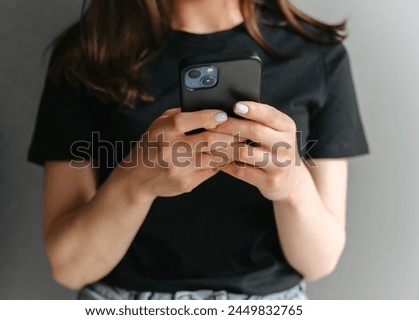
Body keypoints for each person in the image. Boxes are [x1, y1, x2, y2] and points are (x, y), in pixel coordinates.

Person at [28, 0, 369, 300]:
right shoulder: (86, 57)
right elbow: (70, 268)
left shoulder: (319, 55)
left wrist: (291, 186)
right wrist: (134, 182)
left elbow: (319, 261)